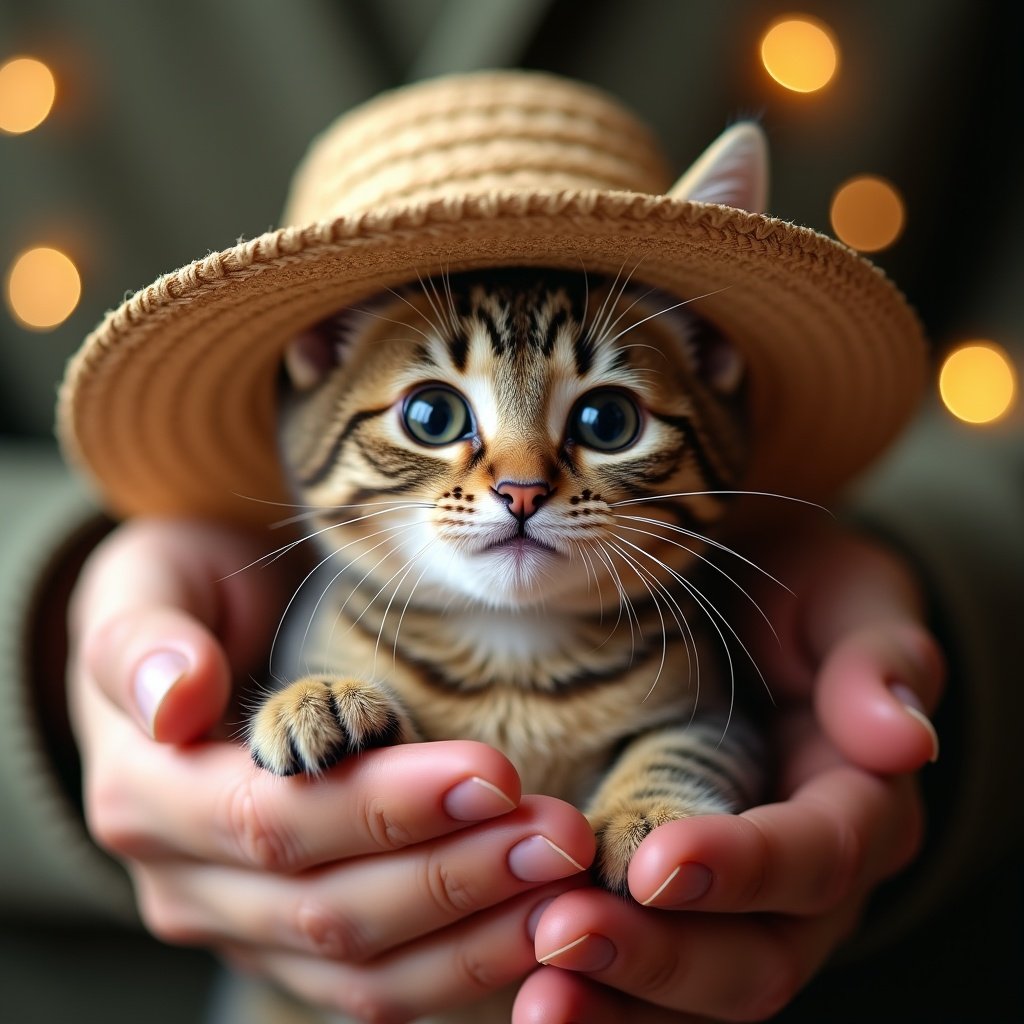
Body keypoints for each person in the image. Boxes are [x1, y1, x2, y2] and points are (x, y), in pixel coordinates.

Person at [1, 3, 1021, 1022]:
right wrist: (59, 641)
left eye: (608, 416)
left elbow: (707, 737)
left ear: (711, 364)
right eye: (436, 412)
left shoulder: (680, 641)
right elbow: (294, 706)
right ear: (319, 347)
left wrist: (668, 789)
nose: (519, 479)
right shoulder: (332, 630)